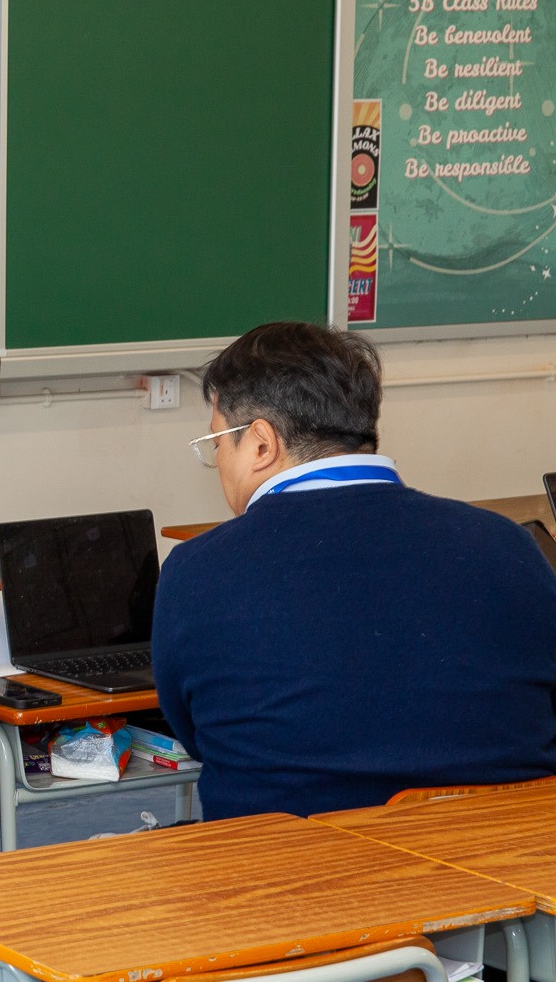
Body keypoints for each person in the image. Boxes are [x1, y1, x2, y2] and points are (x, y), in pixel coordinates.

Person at [153, 321, 556, 820]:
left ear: (260, 443)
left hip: (288, 862)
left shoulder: (198, 572)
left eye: (217, 443)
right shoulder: (510, 545)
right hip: (504, 856)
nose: (217, 462)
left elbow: (197, 735)